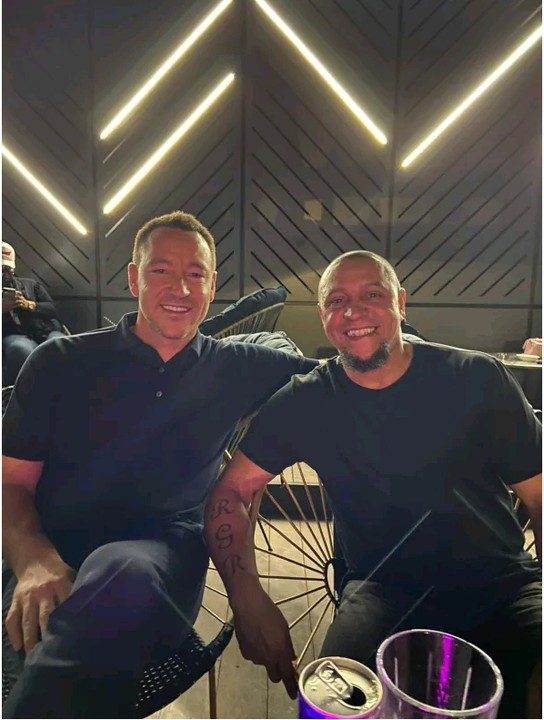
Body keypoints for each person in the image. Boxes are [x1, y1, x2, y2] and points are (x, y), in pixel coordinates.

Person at [2, 211, 318, 718]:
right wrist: (35, 559)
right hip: (52, 551)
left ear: (212, 286)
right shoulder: (60, 362)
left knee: (121, 571)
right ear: (134, 278)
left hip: (160, 561)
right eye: (161, 271)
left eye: (195, 274)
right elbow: (12, 484)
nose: (181, 288)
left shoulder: (236, 367)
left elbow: (345, 380)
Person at [205, 250, 542, 718]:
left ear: (400, 302)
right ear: (322, 316)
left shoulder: (477, 378)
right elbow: (233, 491)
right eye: (336, 300)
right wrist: (248, 602)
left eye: (372, 296)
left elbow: (538, 494)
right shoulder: (308, 400)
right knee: (328, 708)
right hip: (382, 589)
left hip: (501, 583)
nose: (353, 312)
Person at [2, 242, 66, 385]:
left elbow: (52, 310)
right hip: (14, 334)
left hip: (45, 331)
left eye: (8, 269)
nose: (5, 274)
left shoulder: (32, 285)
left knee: (60, 345)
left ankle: (61, 389)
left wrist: (30, 305)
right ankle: (22, 392)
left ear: (13, 268)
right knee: (21, 350)